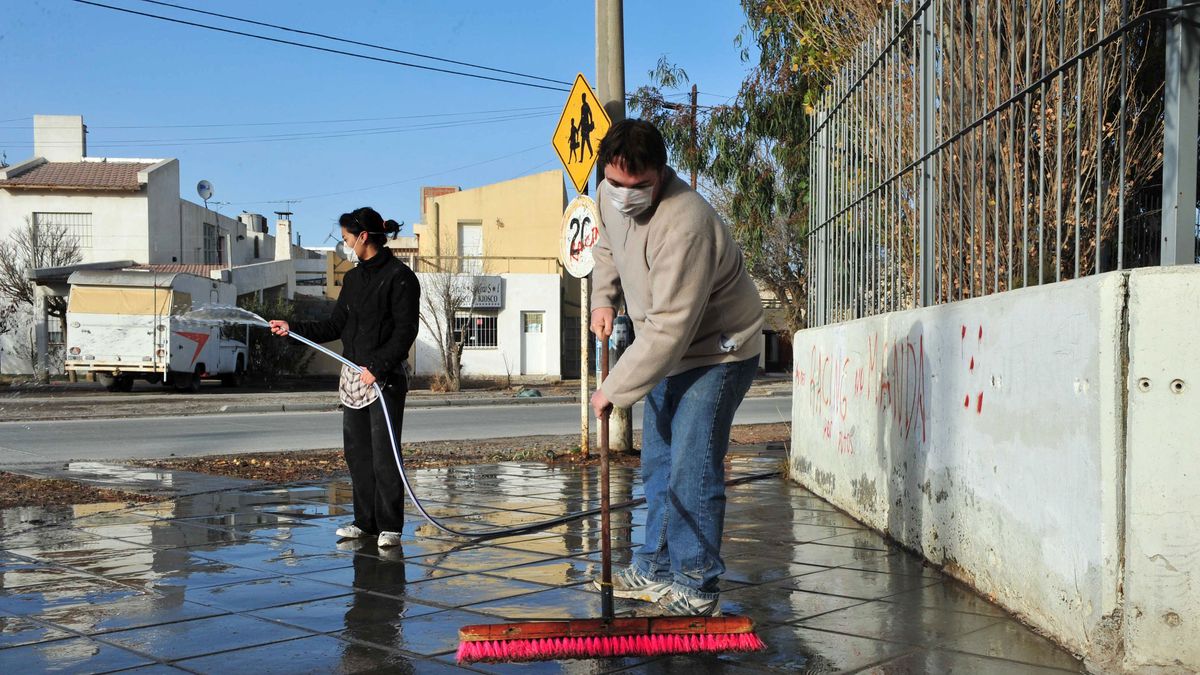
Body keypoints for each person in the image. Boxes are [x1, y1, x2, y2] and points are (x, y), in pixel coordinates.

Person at [589, 119, 764, 617]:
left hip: (719, 349)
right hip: (666, 345)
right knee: (658, 462)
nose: (624, 195)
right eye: (615, 183)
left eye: (638, 185)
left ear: (660, 174)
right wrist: (603, 300)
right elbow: (606, 249)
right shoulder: (606, 196)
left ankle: (696, 583)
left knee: (692, 463)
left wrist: (612, 390)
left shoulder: (686, 222)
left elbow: (670, 328)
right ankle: (657, 567)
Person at [269, 207, 420, 549]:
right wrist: (293, 330)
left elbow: (405, 331)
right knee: (357, 454)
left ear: (364, 237)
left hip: (384, 381)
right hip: (353, 379)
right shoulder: (352, 280)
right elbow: (334, 326)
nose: (344, 243)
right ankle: (364, 522)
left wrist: (378, 366)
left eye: (347, 237)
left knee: (384, 455)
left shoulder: (399, 277)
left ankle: (390, 526)